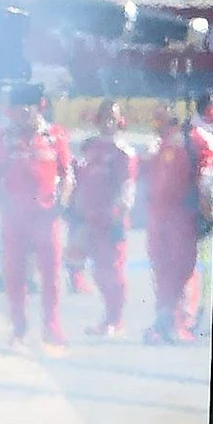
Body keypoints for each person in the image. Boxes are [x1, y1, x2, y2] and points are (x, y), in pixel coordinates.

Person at [0, 89, 73, 349]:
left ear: (40, 105)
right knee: (15, 274)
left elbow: (67, 173)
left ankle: (52, 326)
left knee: (51, 274)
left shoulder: (55, 135)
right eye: (18, 106)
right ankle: (19, 328)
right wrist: (2, 205)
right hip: (15, 219)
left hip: (46, 217)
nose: (23, 111)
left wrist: (63, 202)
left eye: (28, 105)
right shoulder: (3, 137)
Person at [141, 102, 213, 342]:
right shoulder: (159, 145)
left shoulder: (195, 141)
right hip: (160, 217)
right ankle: (164, 319)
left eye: (159, 121)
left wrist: (208, 214)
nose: (156, 127)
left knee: (182, 269)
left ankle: (181, 322)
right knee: (162, 267)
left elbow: (206, 180)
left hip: (183, 217)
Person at [67, 99, 137, 337]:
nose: (108, 121)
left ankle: (115, 320)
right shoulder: (92, 148)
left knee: (112, 270)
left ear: (120, 121)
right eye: (104, 116)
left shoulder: (123, 151)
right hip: (90, 220)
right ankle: (107, 317)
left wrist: (119, 216)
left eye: (112, 116)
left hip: (111, 222)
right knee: (97, 270)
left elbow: (127, 189)